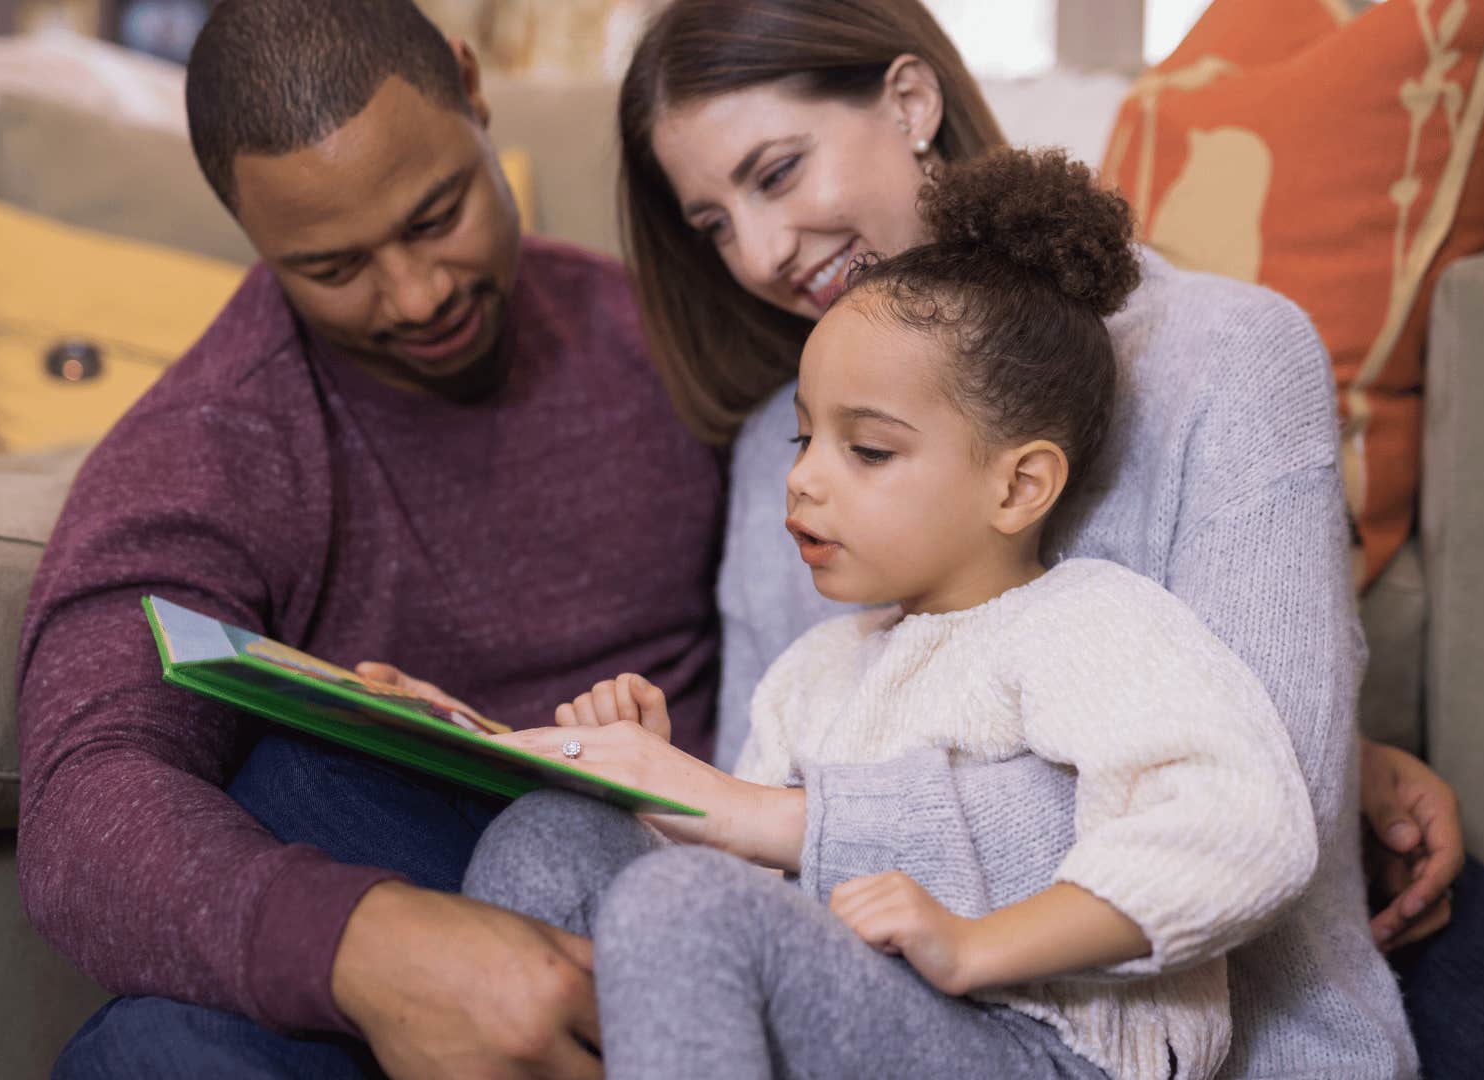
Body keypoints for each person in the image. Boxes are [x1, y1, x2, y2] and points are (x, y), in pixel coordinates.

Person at [473, 2, 1484, 1078]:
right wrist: (640, 774)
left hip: (1173, 1024)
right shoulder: (788, 436)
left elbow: (1264, 811)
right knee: (545, 846)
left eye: (778, 172)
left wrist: (776, 820)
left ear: (912, 101)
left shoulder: (1222, 355)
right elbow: (769, 794)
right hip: (875, 992)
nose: (764, 252)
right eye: (714, 223)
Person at [466, 147, 1323, 1080]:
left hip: (1041, 1043)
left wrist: (978, 945)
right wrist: (661, 794)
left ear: (1020, 485)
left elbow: (1242, 829)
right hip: (872, 1022)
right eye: (804, 436)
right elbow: (755, 908)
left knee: (685, 907)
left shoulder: (1087, 624)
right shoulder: (817, 671)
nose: (802, 478)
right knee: (547, 839)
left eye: (867, 450)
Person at [13, 1, 724, 1076]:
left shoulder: (659, 332)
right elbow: (85, 802)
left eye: (437, 216)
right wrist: (370, 946)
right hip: (403, 907)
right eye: (335, 269)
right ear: (248, 232)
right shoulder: (215, 442)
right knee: (164, 1043)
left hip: (686, 877)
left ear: (473, 92)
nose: (419, 294)